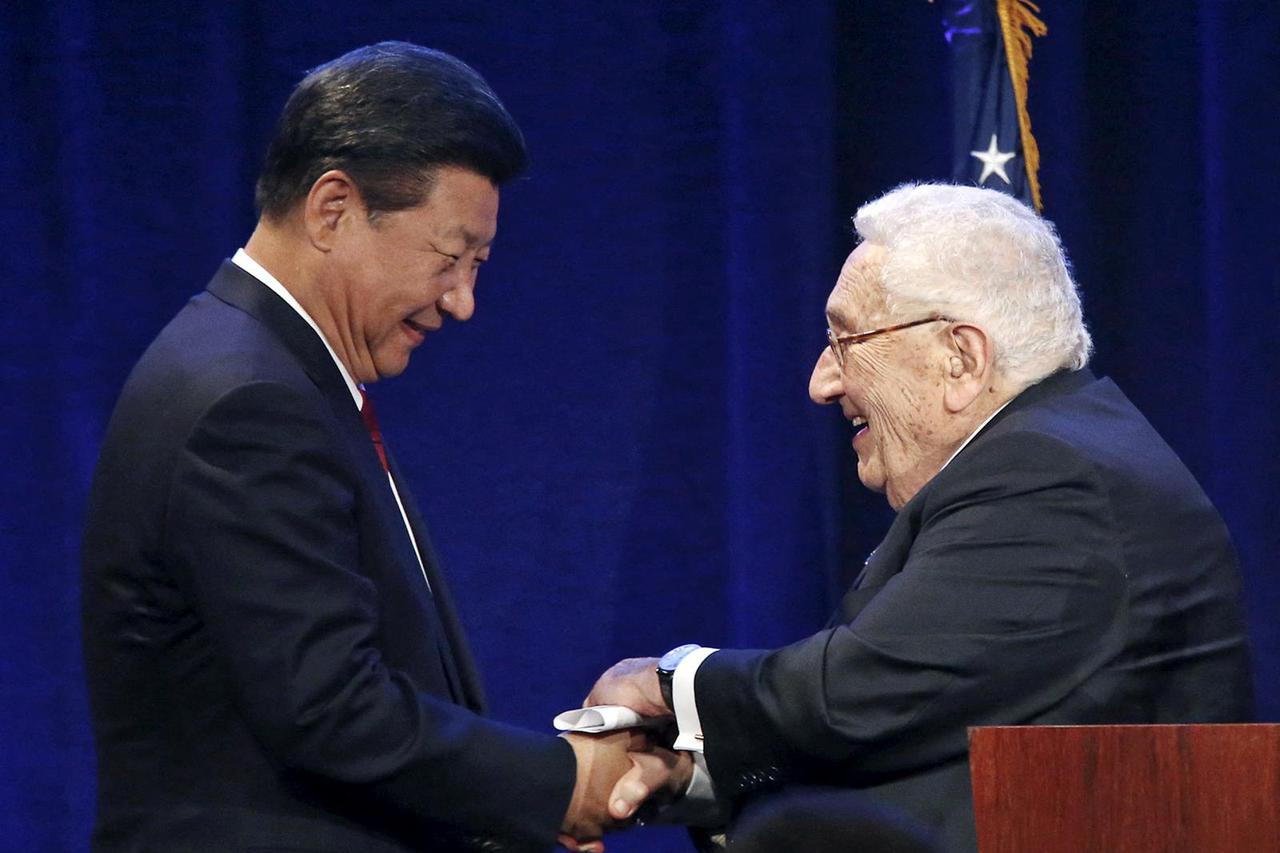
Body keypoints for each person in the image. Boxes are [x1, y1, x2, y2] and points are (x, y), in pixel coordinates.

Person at [81, 42, 677, 853]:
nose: (463, 300)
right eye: (450, 256)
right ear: (333, 208)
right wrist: (560, 784)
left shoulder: (273, 371)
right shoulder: (246, 399)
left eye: (479, 263)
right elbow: (331, 710)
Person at [586, 183, 1255, 852]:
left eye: (846, 339)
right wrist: (690, 774)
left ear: (961, 358)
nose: (823, 380)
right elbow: (920, 734)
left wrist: (671, 683)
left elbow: (852, 696)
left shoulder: (1049, 476)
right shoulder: (1048, 454)